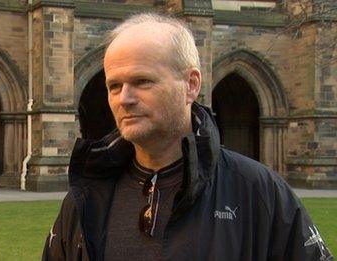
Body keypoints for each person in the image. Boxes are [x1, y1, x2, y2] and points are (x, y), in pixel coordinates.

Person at [42, 13, 333, 261]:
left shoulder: (258, 190)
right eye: (114, 86)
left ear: (191, 85)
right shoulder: (86, 197)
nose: (124, 99)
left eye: (142, 81)